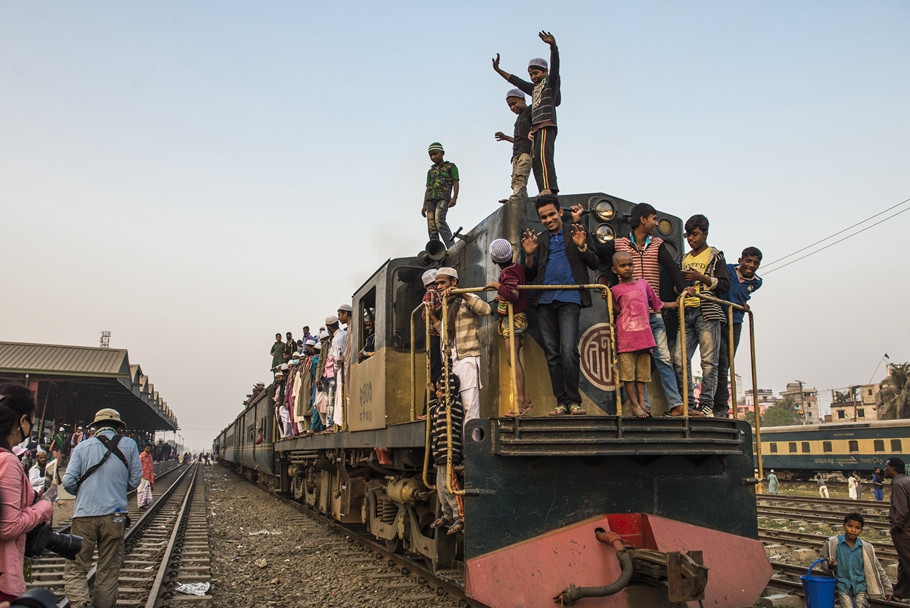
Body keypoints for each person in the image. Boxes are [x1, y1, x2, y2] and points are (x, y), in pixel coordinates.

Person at [582, 202, 691, 417]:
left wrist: (684, 288)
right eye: (654, 219)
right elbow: (597, 251)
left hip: (653, 314)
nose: (656, 224)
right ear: (643, 220)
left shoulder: (658, 244)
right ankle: (643, 405)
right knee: (634, 363)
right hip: (629, 318)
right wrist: (582, 234)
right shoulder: (619, 243)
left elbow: (671, 268)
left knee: (663, 358)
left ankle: (675, 403)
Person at [522, 195, 598, 416]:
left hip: (570, 298)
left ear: (560, 213)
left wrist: (582, 247)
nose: (548, 219)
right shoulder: (540, 239)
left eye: (551, 214)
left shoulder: (576, 232)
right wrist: (528, 255)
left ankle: (574, 401)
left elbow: (594, 262)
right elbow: (529, 275)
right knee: (552, 354)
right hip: (544, 300)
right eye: (543, 217)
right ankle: (561, 402)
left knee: (568, 349)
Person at [63, 408, 142, 608]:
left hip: (84, 515)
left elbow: (68, 481)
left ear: (95, 426)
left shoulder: (82, 447)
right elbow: (135, 480)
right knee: (108, 569)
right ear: (118, 427)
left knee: (76, 567)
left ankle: (80, 604)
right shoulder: (130, 445)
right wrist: (117, 488)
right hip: (115, 515)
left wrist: (84, 492)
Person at [0, 384, 56, 603]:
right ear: (22, 420)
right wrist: (44, 505)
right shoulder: (7, 461)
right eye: (32, 421)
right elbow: (8, 526)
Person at [673, 214, 730, 417]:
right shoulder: (683, 259)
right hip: (685, 311)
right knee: (679, 359)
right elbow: (676, 285)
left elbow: (724, 285)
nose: (691, 239)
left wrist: (700, 278)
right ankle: (688, 404)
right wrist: (682, 287)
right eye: (688, 235)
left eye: (695, 234)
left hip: (707, 312)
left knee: (709, 361)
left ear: (705, 234)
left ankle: (706, 404)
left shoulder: (715, 255)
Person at [492, 31, 561, 195]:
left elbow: (555, 67)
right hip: (536, 128)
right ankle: (542, 189)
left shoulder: (549, 84)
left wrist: (553, 47)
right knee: (536, 159)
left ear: (545, 72)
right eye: (530, 74)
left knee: (544, 156)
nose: (533, 77)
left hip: (546, 123)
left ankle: (549, 188)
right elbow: (516, 81)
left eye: (536, 73)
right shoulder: (533, 89)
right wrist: (498, 70)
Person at [432, 267, 492, 423]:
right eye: (437, 284)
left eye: (442, 282)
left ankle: (472, 439)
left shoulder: (467, 297)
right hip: (450, 363)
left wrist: (462, 294)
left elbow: (486, 310)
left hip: (467, 359)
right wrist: (433, 317)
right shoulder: (446, 305)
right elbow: (446, 333)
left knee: (469, 406)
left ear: (454, 282)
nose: (439, 287)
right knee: (455, 409)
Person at [610, 251, 662, 419]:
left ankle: (642, 403)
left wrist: (678, 303)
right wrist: (607, 299)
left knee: (642, 375)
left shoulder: (643, 284)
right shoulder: (614, 290)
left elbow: (657, 304)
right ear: (614, 269)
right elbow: (616, 311)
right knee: (628, 375)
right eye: (622, 265)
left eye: (630, 264)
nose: (627, 268)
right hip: (626, 339)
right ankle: (634, 405)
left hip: (644, 338)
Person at [713, 247, 763, 417]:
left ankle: (720, 406)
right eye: (748, 261)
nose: (751, 265)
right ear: (740, 260)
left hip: (735, 322)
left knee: (726, 364)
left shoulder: (757, 282)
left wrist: (743, 305)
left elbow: (742, 295)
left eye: (755, 263)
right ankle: (717, 406)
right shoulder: (727, 269)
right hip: (718, 318)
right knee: (718, 362)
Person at [486, 239, 531, 416]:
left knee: (513, 359)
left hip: (514, 318)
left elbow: (513, 294)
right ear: (511, 253)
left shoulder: (507, 272)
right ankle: (523, 399)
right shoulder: (517, 267)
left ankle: (522, 401)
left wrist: (497, 286)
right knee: (512, 358)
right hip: (514, 318)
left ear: (493, 260)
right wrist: (501, 295)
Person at [820, 512, 893, 607]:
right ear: (844, 526)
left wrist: (888, 588)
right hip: (842, 585)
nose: (853, 530)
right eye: (850, 526)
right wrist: (829, 566)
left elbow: (878, 569)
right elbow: (821, 561)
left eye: (857, 528)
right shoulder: (832, 543)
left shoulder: (866, 547)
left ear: (861, 530)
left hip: (860, 587)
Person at [429, 377, 465, 535]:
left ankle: (460, 516)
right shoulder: (439, 407)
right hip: (440, 453)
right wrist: (432, 393)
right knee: (441, 487)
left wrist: (446, 365)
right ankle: (448, 514)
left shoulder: (452, 405)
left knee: (450, 485)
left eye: (440, 390)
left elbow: (445, 401)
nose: (438, 393)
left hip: (449, 452)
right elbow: (432, 411)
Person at [494, 89, 533, 205]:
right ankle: (521, 200)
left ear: (523, 99)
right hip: (516, 154)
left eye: (514, 103)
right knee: (515, 181)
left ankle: (516, 198)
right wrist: (505, 137)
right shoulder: (519, 118)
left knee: (521, 177)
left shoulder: (530, 111)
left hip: (526, 152)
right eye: (510, 106)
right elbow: (518, 139)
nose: (512, 107)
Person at [422, 142, 459, 248]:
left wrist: (454, 197)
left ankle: (452, 247)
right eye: (431, 155)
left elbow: (455, 182)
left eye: (435, 154)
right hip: (430, 199)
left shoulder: (450, 166)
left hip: (443, 198)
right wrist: (424, 204)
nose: (433, 157)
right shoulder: (430, 171)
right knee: (431, 226)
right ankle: (436, 250)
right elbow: (428, 188)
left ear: (442, 153)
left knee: (439, 221)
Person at [887, 457, 910, 601]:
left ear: (893, 468)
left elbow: (902, 511)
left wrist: (895, 528)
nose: (885, 469)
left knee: (907, 560)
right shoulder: (907, 480)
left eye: (887, 466)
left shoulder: (898, 484)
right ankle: (900, 593)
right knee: (904, 560)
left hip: (904, 530)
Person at [137, 443, 155, 509]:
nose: (148, 449)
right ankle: (140, 504)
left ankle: (145, 503)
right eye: (147, 448)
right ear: (144, 448)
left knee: (146, 490)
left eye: (149, 448)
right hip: (142, 475)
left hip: (148, 475)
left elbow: (151, 466)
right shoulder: (141, 456)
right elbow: (137, 465)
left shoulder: (150, 456)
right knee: (141, 490)